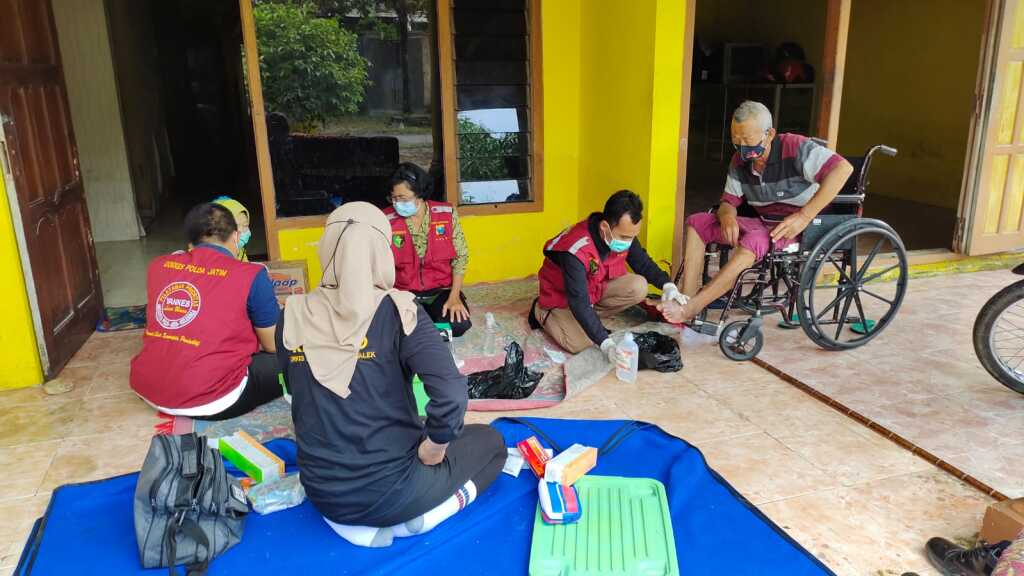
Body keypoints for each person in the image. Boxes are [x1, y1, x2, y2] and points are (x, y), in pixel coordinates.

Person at [277, 202, 505, 548]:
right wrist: (434, 447)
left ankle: (353, 526)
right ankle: (425, 519)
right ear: (381, 251)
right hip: (395, 491)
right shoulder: (401, 310)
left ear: (327, 247)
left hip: (322, 490)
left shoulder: (291, 313)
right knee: (491, 443)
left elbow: (297, 393)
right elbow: (451, 396)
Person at [662, 101, 854, 324]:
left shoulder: (794, 147)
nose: (742, 148)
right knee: (697, 222)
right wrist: (727, 216)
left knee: (752, 241)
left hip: (795, 227)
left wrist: (804, 216)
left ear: (769, 134)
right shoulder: (740, 161)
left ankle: (692, 308)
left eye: (747, 140)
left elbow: (843, 168)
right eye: (737, 141)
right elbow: (728, 201)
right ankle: (686, 298)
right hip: (762, 222)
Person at [130, 203, 281, 420]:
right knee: (298, 357)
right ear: (236, 236)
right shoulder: (251, 274)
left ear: (190, 244)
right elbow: (272, 345)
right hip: (215, 399)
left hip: (148, 388)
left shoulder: (158, 265)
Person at [532, 190, 688, 359]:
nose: (628, 242)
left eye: (632, 237)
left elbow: (642, 262)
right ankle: (541, 312)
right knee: (579, 344)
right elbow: (578, 301)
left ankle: (588, 320)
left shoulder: (621, 233)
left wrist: (668, 285)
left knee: (638, 286)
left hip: (592, 291)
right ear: (604, 227)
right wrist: (606, 344)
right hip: (562, 299)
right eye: (624, 237)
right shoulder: (575, 251)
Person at [383, 163, 473, 337]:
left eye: (402, 198)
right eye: (393, 198)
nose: (397, 204)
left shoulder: (446, 214)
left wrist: (454, 296)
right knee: (395, 329)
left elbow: (461, 257)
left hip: (441, 291)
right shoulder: (386, 219)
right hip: (403, 293)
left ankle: (426, 327)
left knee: (458, 325)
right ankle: (425, 328)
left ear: (420, 193)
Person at [212, 196, 252, 261]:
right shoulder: (205, 258)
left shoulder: (240, 252)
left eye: (245, 225)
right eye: (236, 226)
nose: (247, 232)